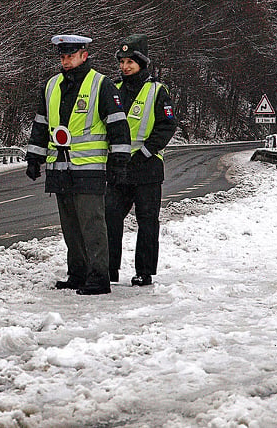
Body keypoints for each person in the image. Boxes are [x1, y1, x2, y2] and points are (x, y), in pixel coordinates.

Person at [25, 34, 132, 295]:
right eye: (62, 56)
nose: (66, 61)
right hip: (60, 170)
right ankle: (77, 274)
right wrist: (34, 157)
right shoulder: (51, 86)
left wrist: (119, 165)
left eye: (70, 56)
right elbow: (41, 126)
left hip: (90, 170)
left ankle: (99, 278)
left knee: (93, 225)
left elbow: (119, 127)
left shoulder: (101, 85)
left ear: (84, 55)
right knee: (70, 227)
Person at [105, 34, 177, 287]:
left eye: (130, 63)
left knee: (146, 221)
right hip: (119, 167)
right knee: (110, 217)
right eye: (122, 62)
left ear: (142, 63)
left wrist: (145, 152)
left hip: (146, 168)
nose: (125, 67)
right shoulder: (113, 90)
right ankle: (109, 269)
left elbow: (167, 127)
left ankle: (144, 272)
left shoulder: (158, 91)